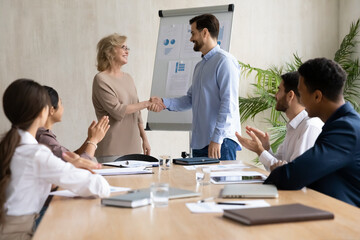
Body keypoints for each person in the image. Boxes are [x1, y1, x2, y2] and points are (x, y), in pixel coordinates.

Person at [0, 79, 110, 239]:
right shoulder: (36, 154)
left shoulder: (9, 146)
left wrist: (73, 166)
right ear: (42, 112)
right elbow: (100, 187)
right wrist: (78, 166)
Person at [264, 58, 360, 207]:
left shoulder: (346, 130)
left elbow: (293, 175)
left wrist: (280, 171)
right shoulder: (341, 124)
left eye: (301, 94)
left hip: (346, 221)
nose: (299, 101)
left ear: (317, 96)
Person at [150, 14, 241, 160]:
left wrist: (217, 139)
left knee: (221, 184)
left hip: (220, 143)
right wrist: (163, 102)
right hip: (200, 144)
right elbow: (191, 99)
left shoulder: (225, 62)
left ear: (205, 32)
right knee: (202, 183)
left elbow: (228, 104)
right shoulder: (200, 66)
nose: (191, 39)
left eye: (193, 33)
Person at [235, 72, 323, 171]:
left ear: (290, 95)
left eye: (279, 90)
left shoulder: (310, 126)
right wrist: (266, 148)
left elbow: (294, 173)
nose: (276, 95)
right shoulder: (293, 126)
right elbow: (277, 168)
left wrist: (260, 150)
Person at [92, 33, 160, 163]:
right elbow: (117, 111)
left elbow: (137, 112)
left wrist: (144, 139)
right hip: (112, 149)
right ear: (109, 51)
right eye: (123, 47)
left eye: (127, 48)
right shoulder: (101, 79)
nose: (127, 51)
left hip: (134, 148)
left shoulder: (128, 77)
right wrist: (148, 103)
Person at [36, 86, 110, 162]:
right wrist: (93, 141)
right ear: (52, 110)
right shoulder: (44, 138)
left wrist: (90, 138)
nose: (63, 107)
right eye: (61, 103)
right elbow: (79, 166)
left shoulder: (42, 135)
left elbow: (72, 157)